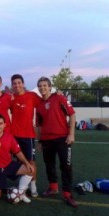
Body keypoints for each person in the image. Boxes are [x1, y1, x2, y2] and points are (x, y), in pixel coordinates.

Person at [36, 76, 78, 208]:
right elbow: (39, 125)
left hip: (63, 139)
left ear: (50, 87)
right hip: (47, 140)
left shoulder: (59, 98)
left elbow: (72, 114)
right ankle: (53, 187)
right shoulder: (39, 105)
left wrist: (71, 134)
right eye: (40, 86)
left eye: (45, 85)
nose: (42, 88)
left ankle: (67, 194)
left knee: (66, 166)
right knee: (49, 165)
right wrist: (40, 140)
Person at [10, 74, 41, 197]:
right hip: (14, 135)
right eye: (14, 83)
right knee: (19, 161)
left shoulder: (32, 96)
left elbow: (45, 101)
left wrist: (57, 93)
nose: (17, 85)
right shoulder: (11, 98)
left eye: (19, 83)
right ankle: (23, 185)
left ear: (23, 83)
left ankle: (33, 185)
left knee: (31, 161)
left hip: (28, 135)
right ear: (12, 86)